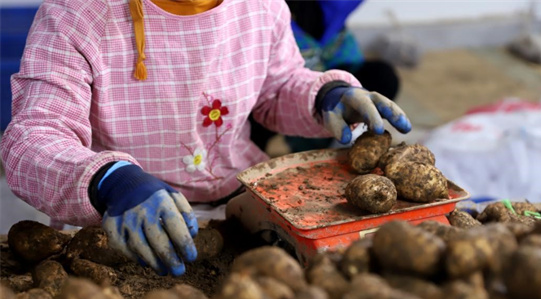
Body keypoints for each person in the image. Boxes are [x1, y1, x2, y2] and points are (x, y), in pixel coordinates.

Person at [1, 0, 411, 277]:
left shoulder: (260, 7)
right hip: (121, 225)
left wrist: (324, 96)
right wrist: (110, 180)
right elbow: (33, 137)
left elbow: (277, 85)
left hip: (243, 205)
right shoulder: (77, 15)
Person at [251, 0, 401, 152]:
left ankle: (331, 145)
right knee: (251, 99)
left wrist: (331, 91)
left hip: (326, 36)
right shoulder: (257, 14)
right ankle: (257, 149)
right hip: (268, 60)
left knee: (380, 79)